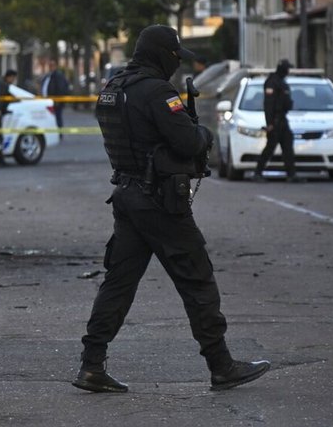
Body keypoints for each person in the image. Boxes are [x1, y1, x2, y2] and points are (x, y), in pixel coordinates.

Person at [73, 24, 270, 394]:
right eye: (175, 58)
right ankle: (221, 365)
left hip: (128, 195)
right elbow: (186, 140)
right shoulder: (157, 91)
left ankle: (91, 364)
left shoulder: (114, 88)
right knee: (197, 277)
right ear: (163, 55)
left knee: (118, 283)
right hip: (160, 201)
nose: (176, 66)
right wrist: (203, 135)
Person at [253, 59, 300, 182]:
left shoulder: (281, 82)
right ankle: (257, 173)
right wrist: (270, 123)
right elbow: (269, 105)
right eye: (287, 69)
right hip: (275, 121)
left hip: (283, 119)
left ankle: (291, 174)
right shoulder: (272, 82)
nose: (288, 71)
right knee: (270, 148)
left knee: (288, 147)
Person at [0, 69, 18, 165]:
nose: (13, 80)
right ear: (9, 77)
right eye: (13, 78)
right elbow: (1, 98)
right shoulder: (3, 85)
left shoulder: (1, 83)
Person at [41, 58, 70, 135]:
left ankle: (59, 133)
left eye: (52, 65)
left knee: (57, 117)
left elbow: (61, 88)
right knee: (51, 118)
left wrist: (58, 100)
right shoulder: (49, 75)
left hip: (56, 102)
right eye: (50, 65)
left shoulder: (58, 75)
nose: (51, 67)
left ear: (56, 66)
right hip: (48, 101)